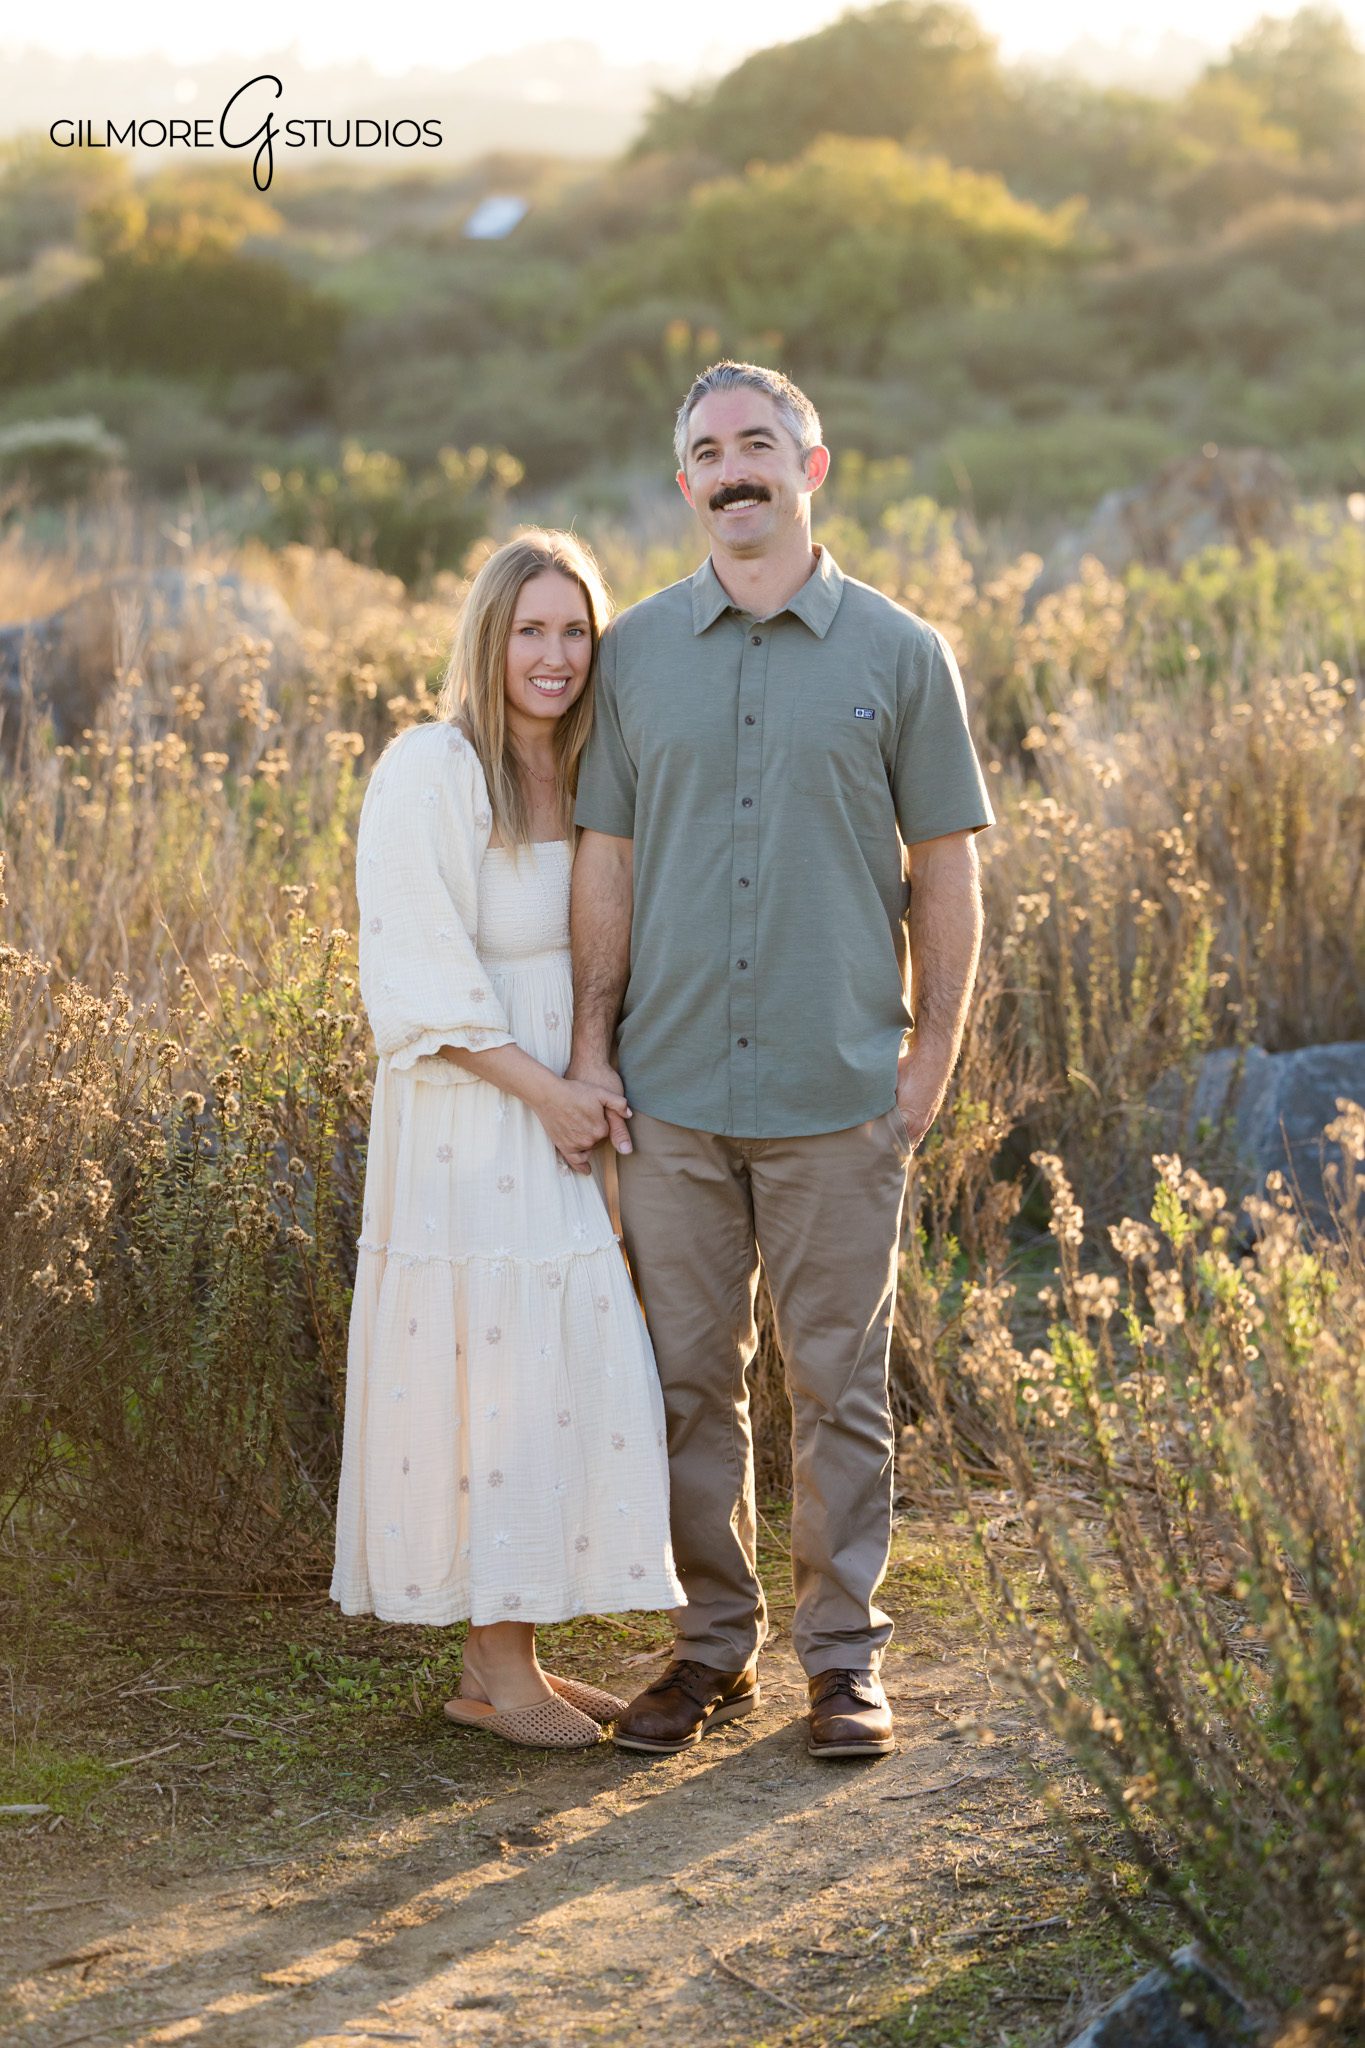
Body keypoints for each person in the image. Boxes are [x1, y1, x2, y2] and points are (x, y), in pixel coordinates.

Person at [568, 363, 994, 1760]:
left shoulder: (900, 653)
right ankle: (709, 1649)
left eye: (759, 443)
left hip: (836, 1092)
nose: (732, 467)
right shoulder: (631, 655)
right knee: (689, 1381)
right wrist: (590, 1047)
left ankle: (841, 1660)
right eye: (706, 450)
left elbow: (944, 870)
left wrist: (930, 1058)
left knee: (839, 1384)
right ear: (684, 483)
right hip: (673, 1093)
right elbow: (606, 863)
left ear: (814, 469)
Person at [331, 529, 684, 1750]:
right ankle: (489, 1659)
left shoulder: (595, 770)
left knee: (548, 1361)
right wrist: (544, 1089)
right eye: (531, 629)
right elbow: (418, 972)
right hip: (469, 1112)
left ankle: (514, 1647)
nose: (554, 653)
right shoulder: (433, 767)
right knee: (478, 1359)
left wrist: (594, 1078)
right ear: (489, 638)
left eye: (575, 629)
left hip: (566, 1101)